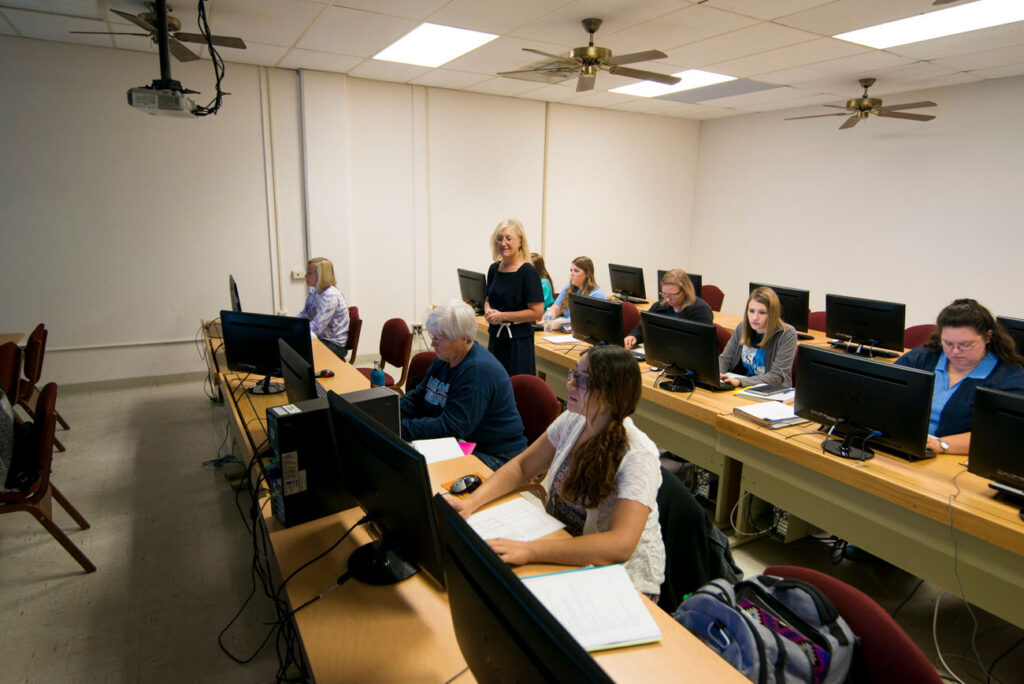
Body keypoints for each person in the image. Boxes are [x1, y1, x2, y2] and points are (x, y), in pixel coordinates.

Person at [448, 345, 665, 598]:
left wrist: (530, 550)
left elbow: (619, 545)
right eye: (573, 374)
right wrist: (470, 503)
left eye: (581, 380)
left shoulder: (638, 454)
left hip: (622, 580)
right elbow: (522, 466)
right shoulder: (574, 420)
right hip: (562, 546)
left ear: (608, 393)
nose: (570, 383)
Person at [401, 300, 528, 471]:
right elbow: (417, 398)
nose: (432, 344)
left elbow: (450, 427)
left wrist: (400, 428)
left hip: (496, 455)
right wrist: (390, 414)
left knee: (422, 474)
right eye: (432, 337)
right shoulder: (445, 359)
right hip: (463, 444)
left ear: (462, 339)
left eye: (438, 339)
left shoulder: (477, 372)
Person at [895, 298, 1024, 455]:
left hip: (954, 457)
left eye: (966, 345)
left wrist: (942, 445)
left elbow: (1003, 434)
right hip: (906, 444)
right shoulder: (920, 359)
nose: (955, 351)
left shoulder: (1009, 378)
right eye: (948, 343)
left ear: (987, 337)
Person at [484, 219, 545, 376]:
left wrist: (503, 316)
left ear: (519, 242)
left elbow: (537, 313)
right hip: (496, 337)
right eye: (499, 239)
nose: (503, 243)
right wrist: (488, 310)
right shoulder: (493, 269)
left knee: (516, 386)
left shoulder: (527, 272)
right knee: (495, 383)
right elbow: (488, 298)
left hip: (518, 343)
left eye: (508, 238)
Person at [718, 286, 798, 387]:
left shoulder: (786, 334)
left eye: (762, 312)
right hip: (740, 385)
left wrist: (740, 381)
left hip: (770, 389)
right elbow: (725, 359)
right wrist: (718, 374)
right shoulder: (742, 327)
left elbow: (777, 376)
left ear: (772, 314)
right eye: (751, 311)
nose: (755, 317)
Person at [624, 268, 712, 348]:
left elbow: (700, 344)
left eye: (672, 295)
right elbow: (643, 327)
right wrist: (633, 336)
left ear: (685, 291)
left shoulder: (700, 310)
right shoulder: (660, 306)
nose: (667, 299)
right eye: (664, 294)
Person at [297, 257, 350, 360]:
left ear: (321, 275)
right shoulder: (314, 291)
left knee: (296, 349)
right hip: (321, 339)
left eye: (309, 273)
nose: (305, 276)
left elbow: (316, 328)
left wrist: (295, 330)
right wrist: (290, 324)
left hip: (334, 345)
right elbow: (304, 315)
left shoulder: (330, 296)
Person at [543, 256, 606, 331]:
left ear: (587, 273)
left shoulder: (596, 295)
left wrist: (558, 323)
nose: (572, 274)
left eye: (576, 271)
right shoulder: (568, 288)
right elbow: (556, 308)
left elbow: (586, 322)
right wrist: (547, 318)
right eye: (571, 270)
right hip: (568, 331)